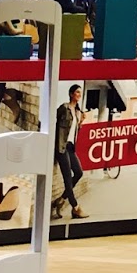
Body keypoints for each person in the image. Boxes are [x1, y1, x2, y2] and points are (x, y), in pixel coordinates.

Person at [54, 84, 88, 221]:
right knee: (67, 177)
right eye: (77, 92)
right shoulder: (64, 108)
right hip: (61, 146)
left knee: (79, 172)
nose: (79, 95)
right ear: (71, 94)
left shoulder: (78, 112)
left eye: (80, 92)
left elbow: (74, 130)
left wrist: (80, 123)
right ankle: (75, 207)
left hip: (70, 147)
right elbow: (54, 123)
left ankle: (61, 199)